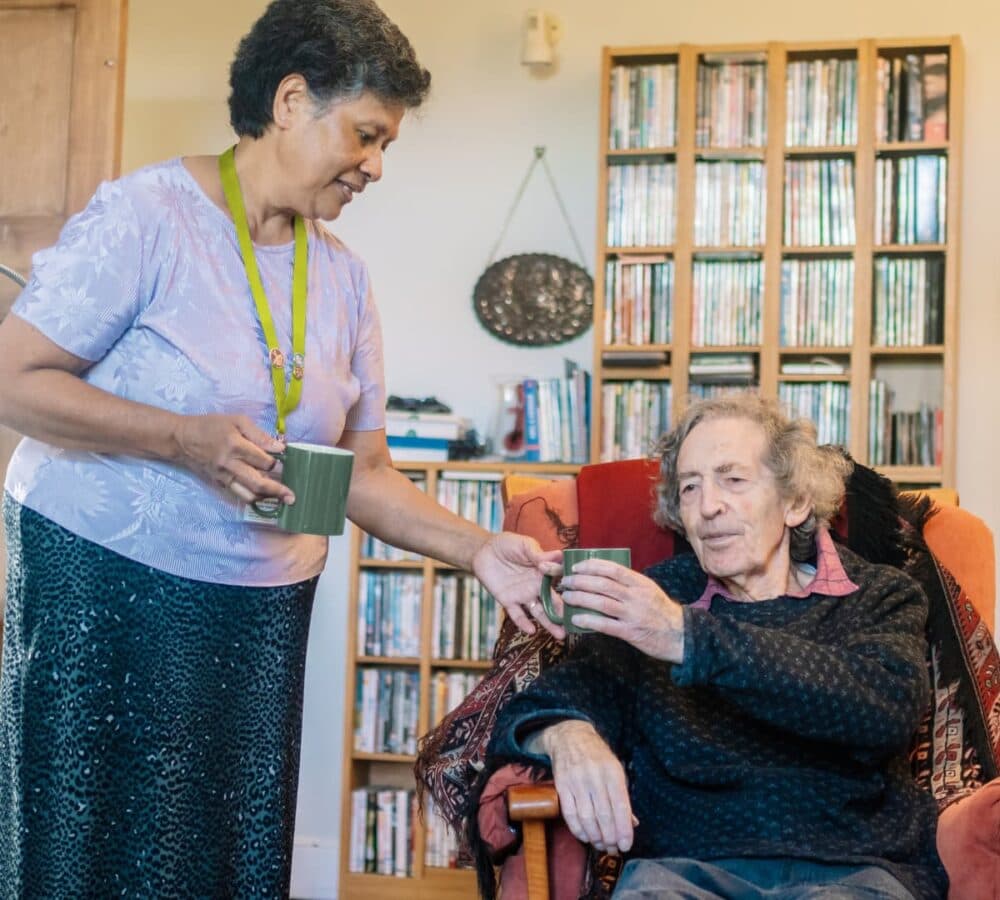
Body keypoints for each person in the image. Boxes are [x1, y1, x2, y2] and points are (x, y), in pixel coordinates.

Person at [0, 2, 561, 896]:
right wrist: (182, 439)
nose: (376, 166)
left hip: (257, 612)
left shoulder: (342, 279)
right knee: (91, 847)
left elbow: (364, 472)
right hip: (107, 585)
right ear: (293, 99)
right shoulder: (146, 215)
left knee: (225, 850)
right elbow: (14, 378)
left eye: (388, 147)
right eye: (367, 135)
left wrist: (479, 551)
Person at [489, 393, 945, 900]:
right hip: (683, 872)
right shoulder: (657, 595)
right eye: (690, 487)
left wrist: (685, 638)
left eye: (733, 479)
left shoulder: (878, 594)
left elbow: (883, 709)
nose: (708, 506)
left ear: (794, 502)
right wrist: (568, 736)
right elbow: (535, 706)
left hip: (853, 870)